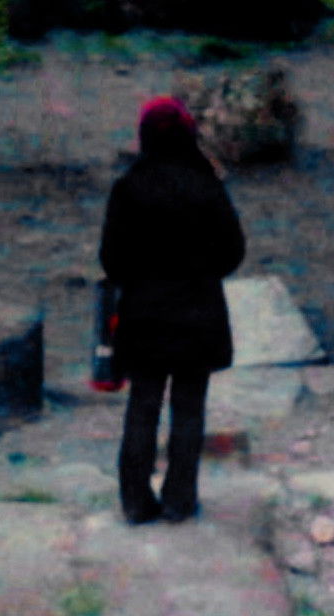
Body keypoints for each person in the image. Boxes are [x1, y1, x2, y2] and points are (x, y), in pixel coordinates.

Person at [98, 94, 244, 525]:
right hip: (198, 314)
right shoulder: (207, 185)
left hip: (144, 315)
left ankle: (135, 500)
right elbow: (234, 251)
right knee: (189, 407)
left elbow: (111, 259)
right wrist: (202, 273)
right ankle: (180, 499)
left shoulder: (129, 187)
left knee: (143, 404)